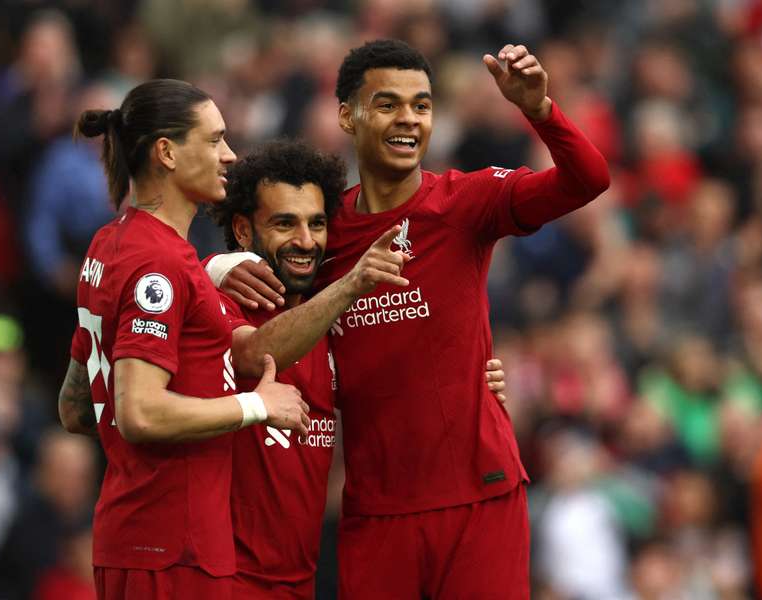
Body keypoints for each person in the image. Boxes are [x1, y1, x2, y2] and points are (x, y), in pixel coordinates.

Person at [216, 39, 609, 597]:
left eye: (422, 106)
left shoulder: (465, 202)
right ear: (347, 115)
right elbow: (259, 300)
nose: (408, 119)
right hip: (377, 515)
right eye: (389, 104)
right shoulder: (322, 234)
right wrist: (217, 265)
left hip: (481, 496)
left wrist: (539, 110)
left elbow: (587, 179)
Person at [206, 138, 508, 598]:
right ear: (244, 232)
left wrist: (473, 380)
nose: (305, 241)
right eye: (285, 223)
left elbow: (393, 375)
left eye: (317, 223)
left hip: (300, 576)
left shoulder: (329, 321)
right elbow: (252, 353)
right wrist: (210, 267)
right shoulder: (218, 303)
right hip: (223, 577)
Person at [58, 78, 310, 600]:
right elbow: (141, 413)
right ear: (167, 152)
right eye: (215, 140)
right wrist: (254, 405)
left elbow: (76, 408)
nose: (230, 154)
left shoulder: (111, 245)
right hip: (174, 551)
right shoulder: (161, 262)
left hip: (133, 539)